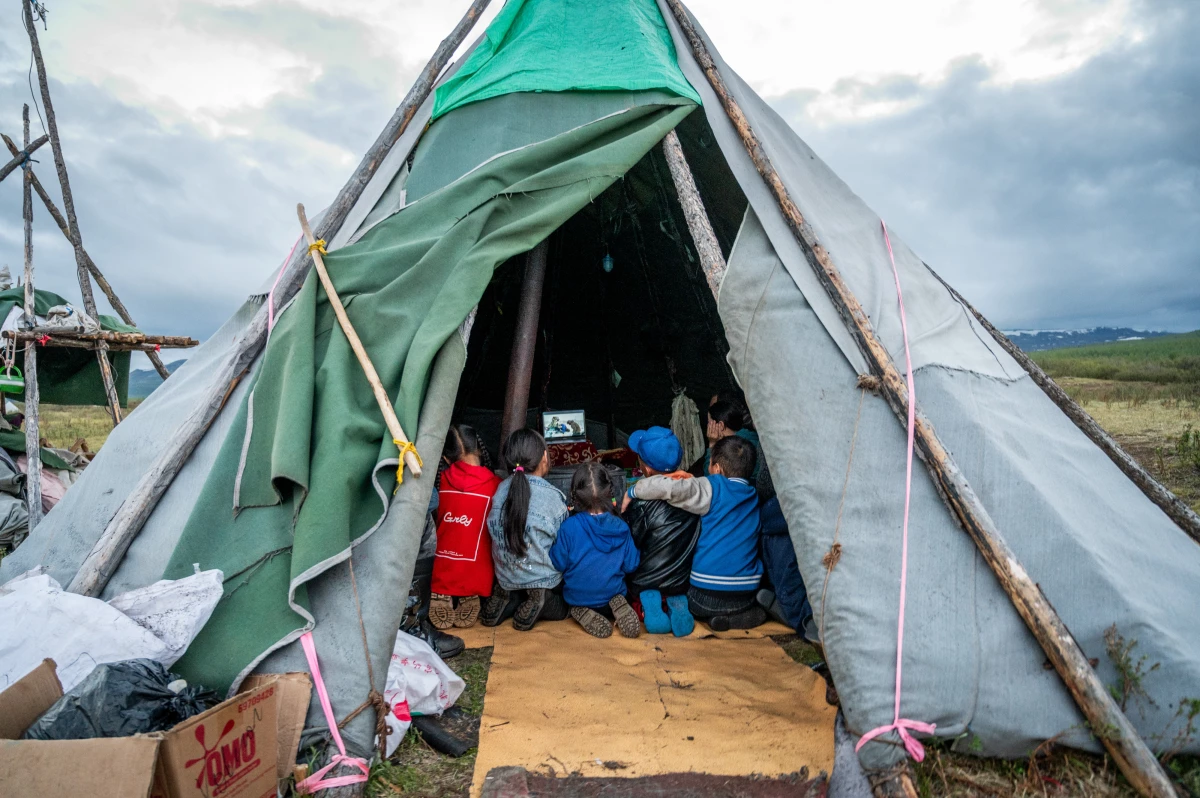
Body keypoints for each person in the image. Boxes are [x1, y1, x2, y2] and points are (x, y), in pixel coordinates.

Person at [623, 435, 766, 631]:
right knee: (756, 609)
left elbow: (668, 487)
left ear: (717, 469)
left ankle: (712, 616)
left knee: (692, 602)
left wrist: (633, 492)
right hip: (746, 593)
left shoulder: (712, 486)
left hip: (703, 596)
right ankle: (740, 617)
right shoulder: (756, 495)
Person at [481, 428, 570, 631]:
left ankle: (508, 596)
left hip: (506, 576)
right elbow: (563, 543)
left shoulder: (500, 490)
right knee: (567, 604)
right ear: (544, 457)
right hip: (543, 578)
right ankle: (542, 597)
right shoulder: (552, 496)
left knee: (515, 580)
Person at [622, 426, 700, 637]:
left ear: (646, 469)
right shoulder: (694, 496)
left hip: (645, 580)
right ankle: (676, 600)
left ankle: (647, 605)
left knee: (635, 582)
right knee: (674, 589)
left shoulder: (641, 505)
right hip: (681, 579)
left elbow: (632, 542)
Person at [549, 463, 642, 639]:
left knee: (570, 595)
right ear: (609, 491)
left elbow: (558, 563)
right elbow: (631, 565)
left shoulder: (569, 527)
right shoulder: (621, 526)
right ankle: (616, 602)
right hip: (613, 591)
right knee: (616, 590)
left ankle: (580, 609)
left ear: (575, 495)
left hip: (577, 596)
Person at [429, 424, 501, 630]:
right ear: (480, 450)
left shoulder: (438, 484)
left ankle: (441, 590)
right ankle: (470, 592)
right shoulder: (497, 486)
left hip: (439, 571)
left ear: (445, 459)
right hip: (478, 572)